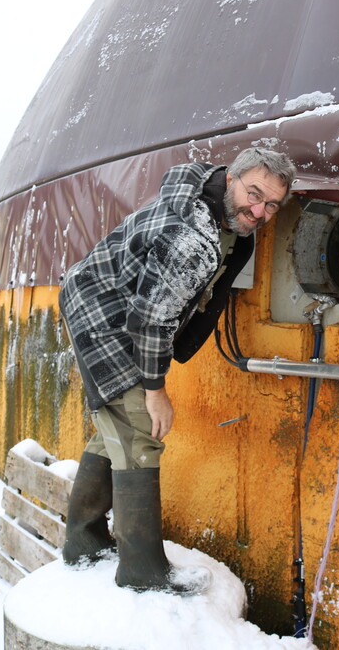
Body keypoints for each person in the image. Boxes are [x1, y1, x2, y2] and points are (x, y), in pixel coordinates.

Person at [58, 147, 295, 592]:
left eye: (272, 205)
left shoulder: (216, 202)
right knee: (141, 430)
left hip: (114, 299)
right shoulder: (190, 239)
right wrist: (155, 389)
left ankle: (82, 544)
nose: (260, 211)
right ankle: (143, 573)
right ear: (231, 179)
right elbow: (151, 319)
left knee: (115, 427)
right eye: (254, 194)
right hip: (103, 311)